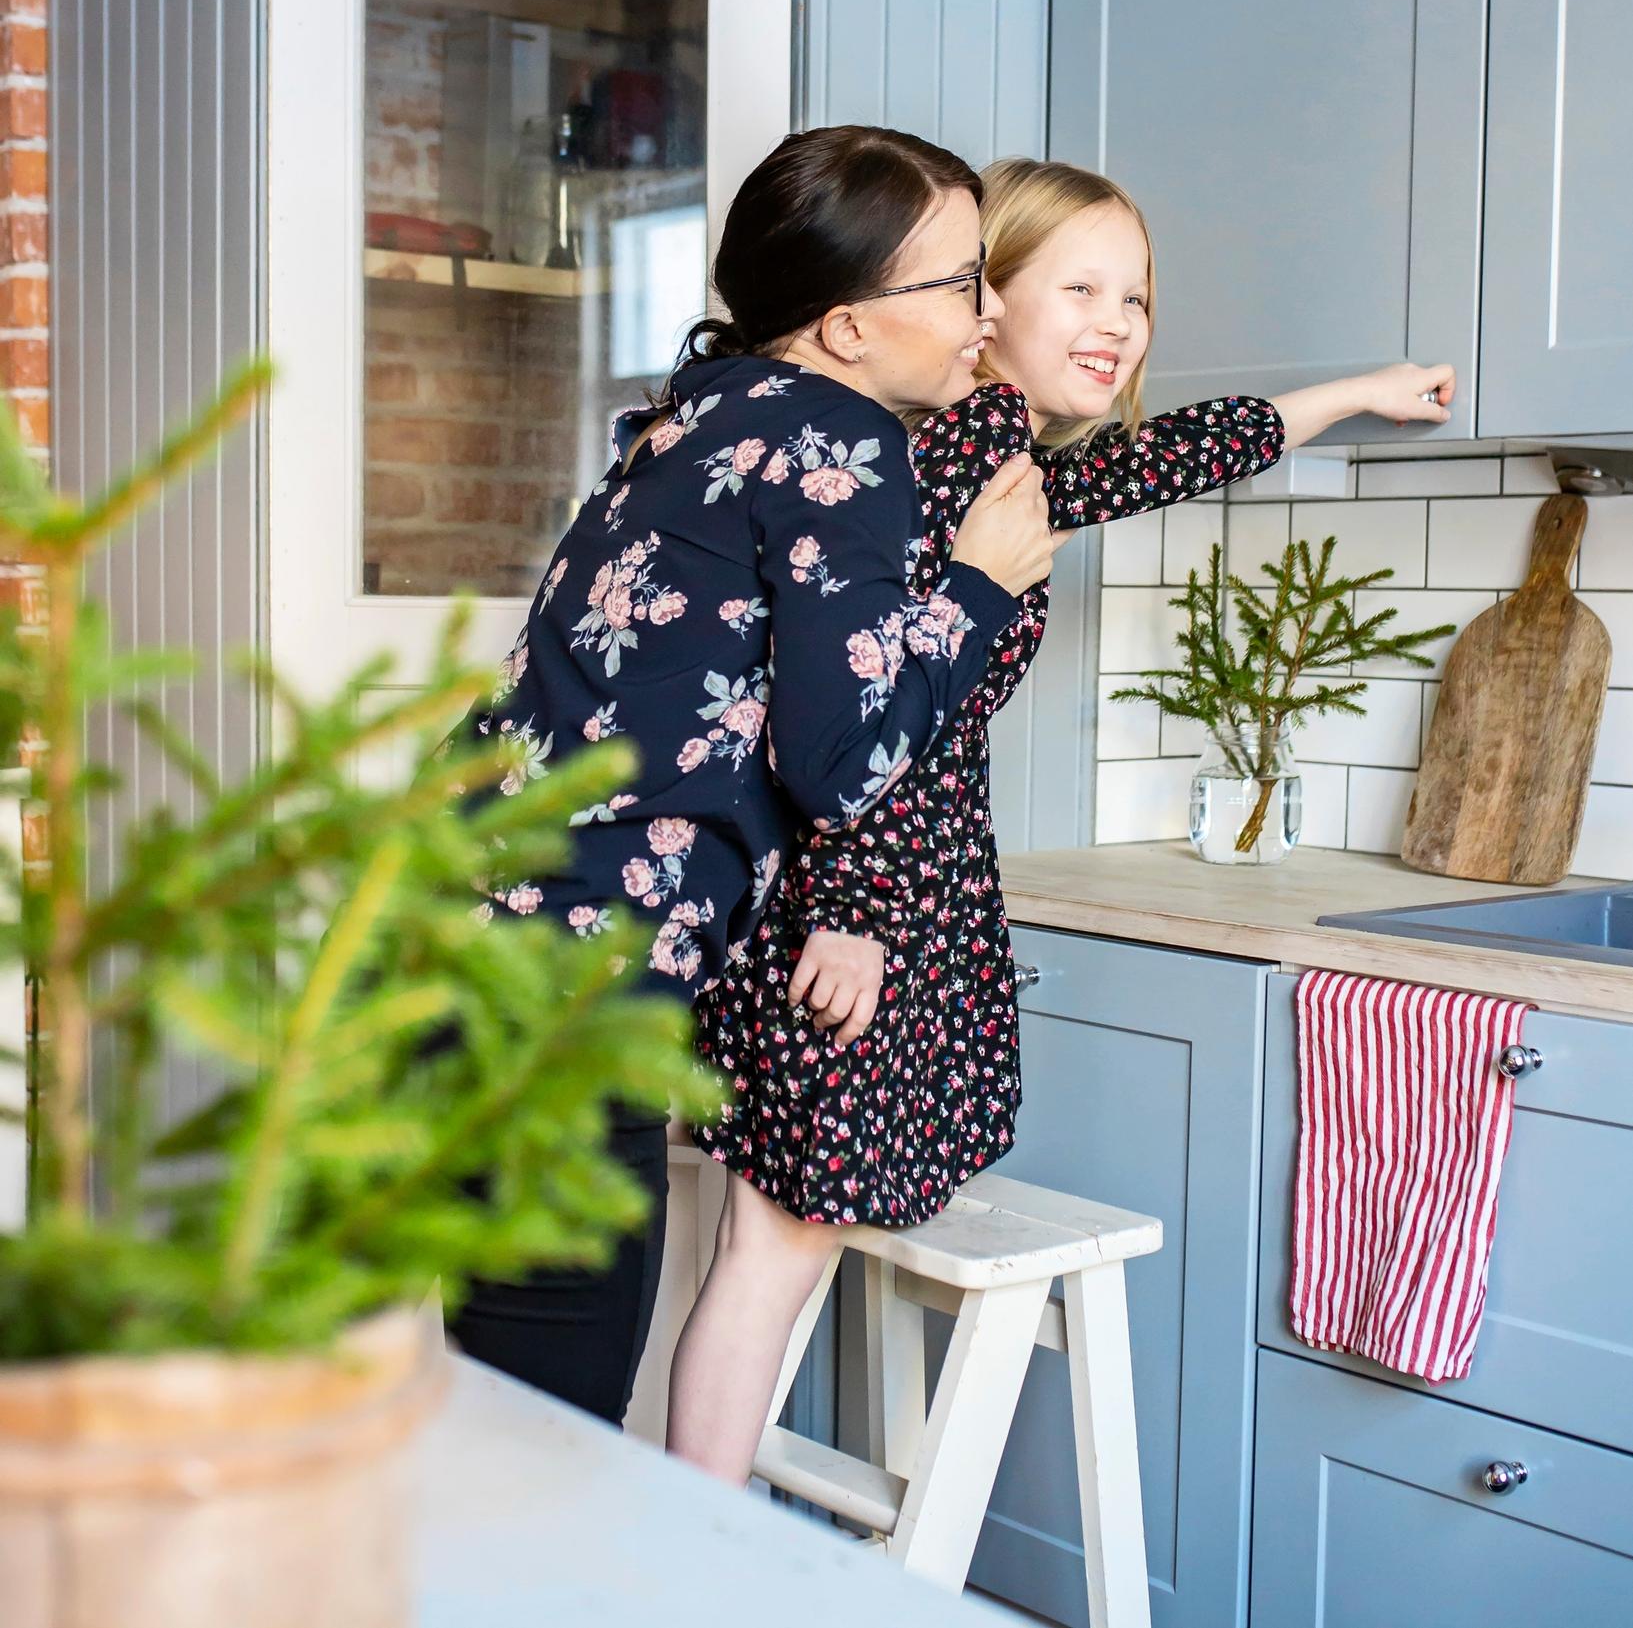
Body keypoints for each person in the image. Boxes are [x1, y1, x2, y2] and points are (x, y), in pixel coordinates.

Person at [677, 154, 1456, 1481]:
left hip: (822, 884)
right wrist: (859, 914)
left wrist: (1357, 391)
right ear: (983, 301)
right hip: (854, 894)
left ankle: (700, 1533)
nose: (1117, 320)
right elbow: (871, 694)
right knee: (774, 1247)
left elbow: (1169, 452)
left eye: (1136, 296)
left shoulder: (968, 442)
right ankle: (698, 1552)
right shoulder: (955, 444)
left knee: (766, 1240)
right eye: (1078, 286)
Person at [448, 125, 1062, 1425]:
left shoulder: (699, 414)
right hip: (569, 973)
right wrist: (976, 586)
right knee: (545, 1419)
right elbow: (836, 762)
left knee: (486, 1378)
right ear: (844, 328)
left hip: (449, 924)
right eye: (960, 284)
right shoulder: (846, 442)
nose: (988, 310)